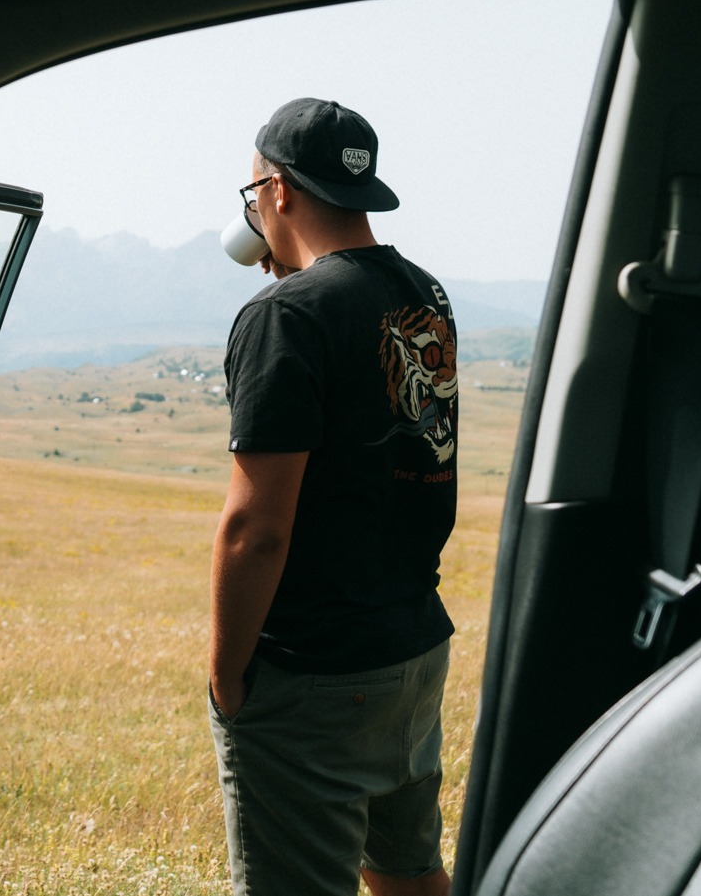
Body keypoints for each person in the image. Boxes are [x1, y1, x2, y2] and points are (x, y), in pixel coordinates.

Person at [209, 98, 458, 896]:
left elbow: (256, 529)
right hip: (413, 646)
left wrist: (226, 676)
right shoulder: (427, 295)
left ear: (277, 194)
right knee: (409, 875)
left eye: (252, 195)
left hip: (316, 668)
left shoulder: (286, 316)